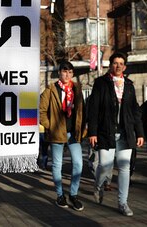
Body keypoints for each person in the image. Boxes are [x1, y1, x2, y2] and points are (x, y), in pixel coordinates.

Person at [87, 52, 144, 216]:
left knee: (125, 168)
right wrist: (93, 132)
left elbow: (135, 111)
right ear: (110, 65)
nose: (118, 66)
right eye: (115, 63)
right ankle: (98, 185)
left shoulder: (130, 85)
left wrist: (139, 133)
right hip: (106, 132)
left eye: (121, 63)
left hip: (126, 133)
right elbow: (94, 109)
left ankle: (123, 203)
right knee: (105, 166)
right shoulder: (101, 83)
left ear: (124, 67)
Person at [40, 60, 85, 211]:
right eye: (64, 71)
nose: (67, 75)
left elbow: (81, 111)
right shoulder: (50, 89)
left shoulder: (77, 89)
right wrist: (50, 126)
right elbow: (41, 112)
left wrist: (83, 129)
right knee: (57, 165)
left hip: (73, 132)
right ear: (59, 73)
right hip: (56, 132)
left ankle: (74, 194)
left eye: (70, 72)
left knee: (78, 163)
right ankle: (60, 195)